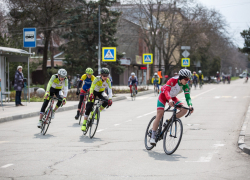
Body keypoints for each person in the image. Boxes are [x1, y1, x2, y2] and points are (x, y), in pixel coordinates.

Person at [149, 69, 194, 145]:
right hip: (163, 95)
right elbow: (166, 91)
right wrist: (169, 100)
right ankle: (152, 137)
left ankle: (169, 120)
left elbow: (187, 97)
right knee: (160, 114)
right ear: (181, 77)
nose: (187, 81)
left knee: (184, 109)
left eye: (189, 79)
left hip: (173, 98)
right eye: (186, 79)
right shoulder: (172, 80)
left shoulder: (185, 85)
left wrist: (190, 106)